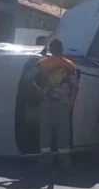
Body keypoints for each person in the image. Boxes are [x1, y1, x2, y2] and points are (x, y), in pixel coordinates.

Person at [27, 39, 79, 167]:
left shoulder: (42, 63)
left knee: (45, 131)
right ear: (62, 49)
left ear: (50, 49)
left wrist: (38, 91)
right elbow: (75, 86)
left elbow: (28, 79)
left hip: (46, 101)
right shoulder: (69, 65)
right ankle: (65, 161)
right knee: (63, 132)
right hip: (63, 103)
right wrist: (71, 103)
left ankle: (45, 160)